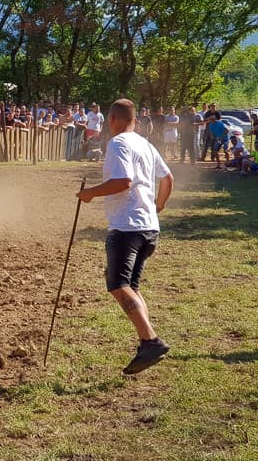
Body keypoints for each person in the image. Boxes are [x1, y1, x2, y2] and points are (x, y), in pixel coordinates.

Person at [77, 98, 174, 375]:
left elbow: (123, 182)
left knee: (118, 284)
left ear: (111, 119)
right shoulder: (146, 144)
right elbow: (168, 179)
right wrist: (158, 206)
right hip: (149, 227)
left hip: (127, 226)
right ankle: (147, 340)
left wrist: (90, 193)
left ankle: (150, 341)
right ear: (135, 120)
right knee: (131, 285)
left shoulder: (118, 143)